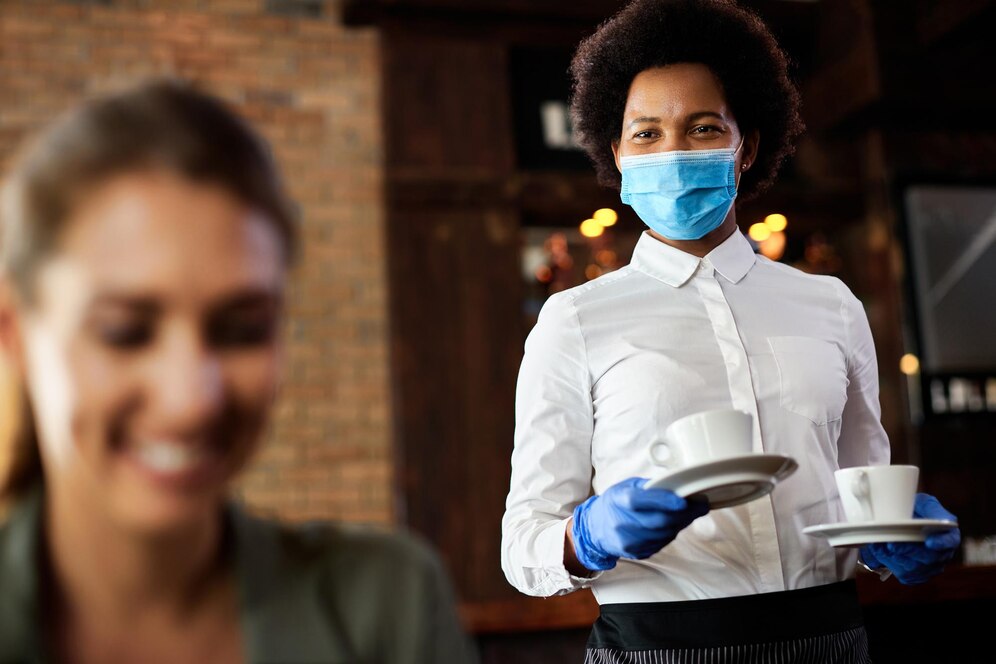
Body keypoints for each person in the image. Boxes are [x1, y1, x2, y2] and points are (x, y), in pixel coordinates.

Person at [500, 1, 961, 661]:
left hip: (829, 643)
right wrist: (590, 535)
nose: (674, 151)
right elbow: (524, 549)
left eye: (704, 128)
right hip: (654, 650)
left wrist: (903, 539)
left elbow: (864, 496)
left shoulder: (832, 305)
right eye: (647, 134)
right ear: (618, 154)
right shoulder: (572, 321)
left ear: (748, 147)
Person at [0, 80, 477, 664]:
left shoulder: (388, 602)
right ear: (15, 333)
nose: (190, 399)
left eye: (242, 331)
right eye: (125, 332)